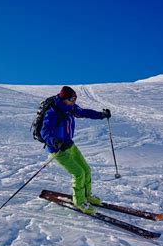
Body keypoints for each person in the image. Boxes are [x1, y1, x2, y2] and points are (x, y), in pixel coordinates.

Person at [41, 86, 111, 215]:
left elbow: (84, 112)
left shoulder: (71, 108)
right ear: (63, 99)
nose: (74, 101)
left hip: (70, 145)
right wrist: (55, 141)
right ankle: (79, 202)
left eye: (75, 98)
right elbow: (44, 132)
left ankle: (87, 195)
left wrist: (101, 115)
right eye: (71, 99)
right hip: (58, 150)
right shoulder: (52, 112)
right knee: (79, 173)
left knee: (86, 170)